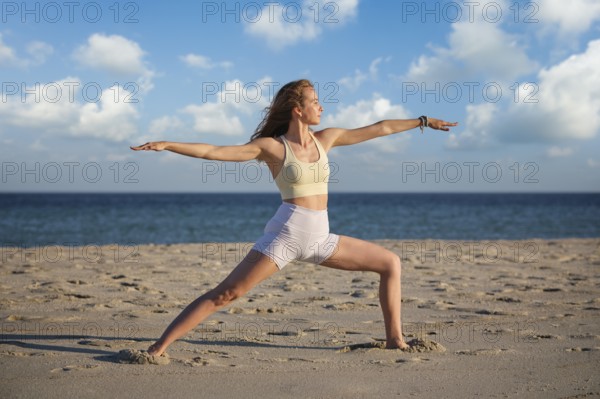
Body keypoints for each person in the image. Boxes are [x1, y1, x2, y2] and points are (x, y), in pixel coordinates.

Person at [130, 79, 457, 356]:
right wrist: (168, 144)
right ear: (298, 110)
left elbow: (381, 128)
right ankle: (157, 349)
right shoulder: (271, 147)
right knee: (226, 294)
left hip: (320, 239)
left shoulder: (327, 138)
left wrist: (423, 121)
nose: (322, 107)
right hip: (285, 237)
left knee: (390, 263)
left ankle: (394, 340)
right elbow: (215, 152)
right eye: (315, 101)